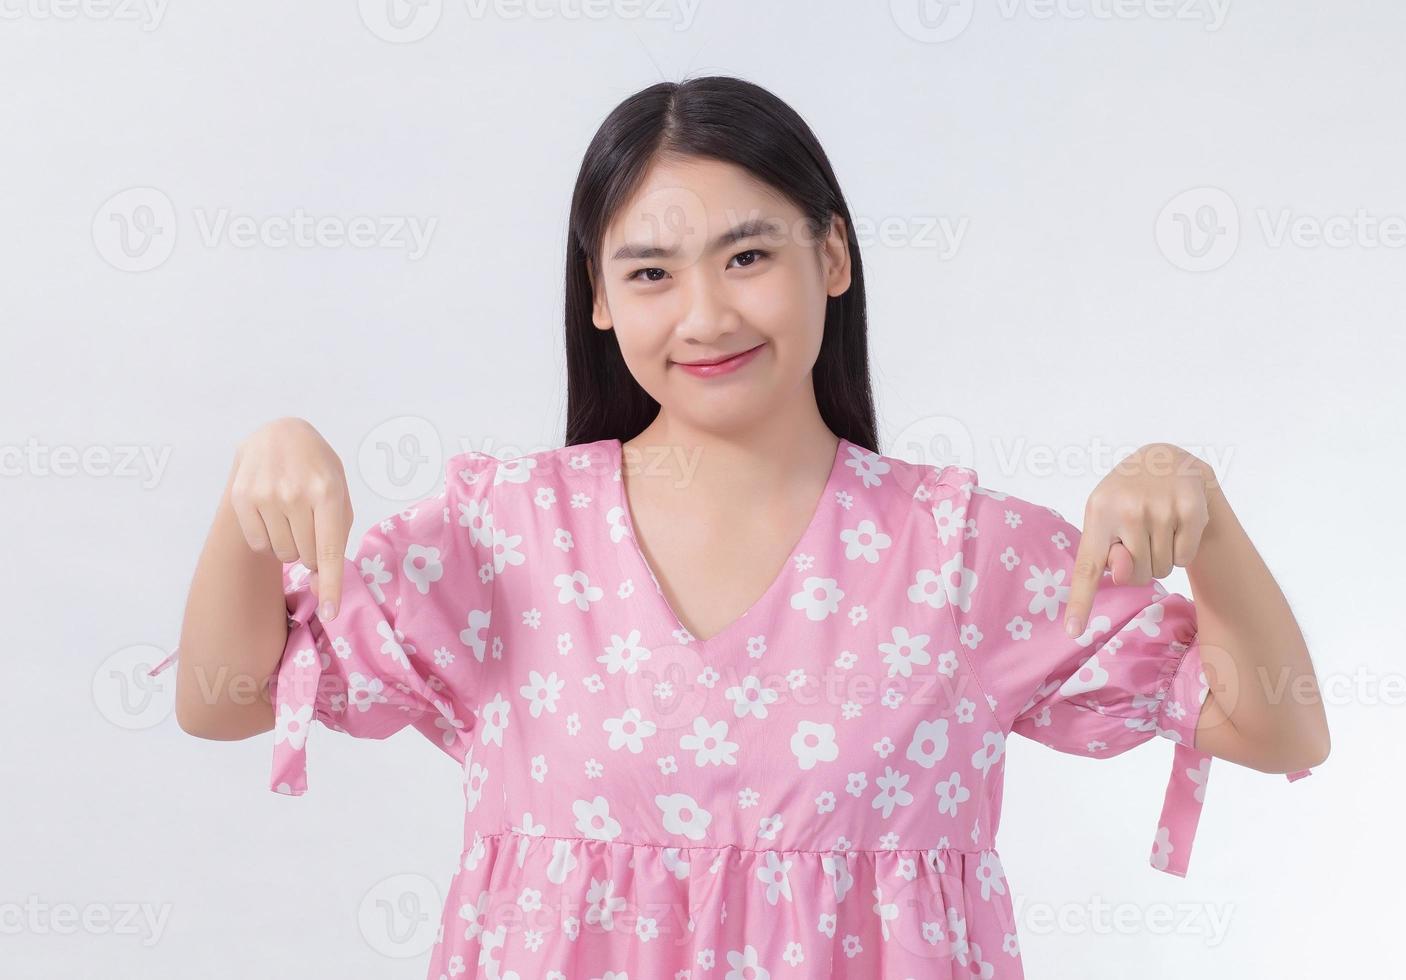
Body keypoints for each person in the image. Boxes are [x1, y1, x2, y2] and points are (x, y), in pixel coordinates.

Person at [152, 74, 1329, 979]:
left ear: (831, 255)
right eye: (652, 272)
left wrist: (1207, 516)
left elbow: (1276, 728)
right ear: (602, 300)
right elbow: (223, 696)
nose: (705, 313)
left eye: (749, 254)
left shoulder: (960, 552)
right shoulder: (505, 538)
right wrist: (253, 497)